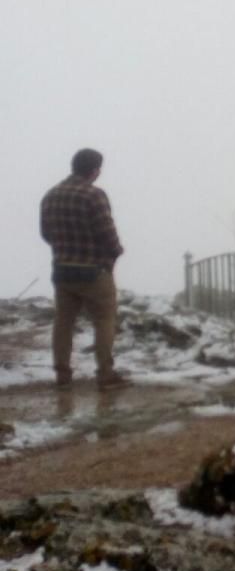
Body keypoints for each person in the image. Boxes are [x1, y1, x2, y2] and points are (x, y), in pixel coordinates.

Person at [40, 148, 129, 390]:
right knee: (104, 320)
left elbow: (46, 233)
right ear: (95, 170)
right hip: (94, 271)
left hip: (62, 270)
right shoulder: (94, 195)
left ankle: (62, 373)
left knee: (63, 322)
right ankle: (105, 374)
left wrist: (64, 248)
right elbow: (106, 232)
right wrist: (117, 251)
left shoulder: (51, 195)